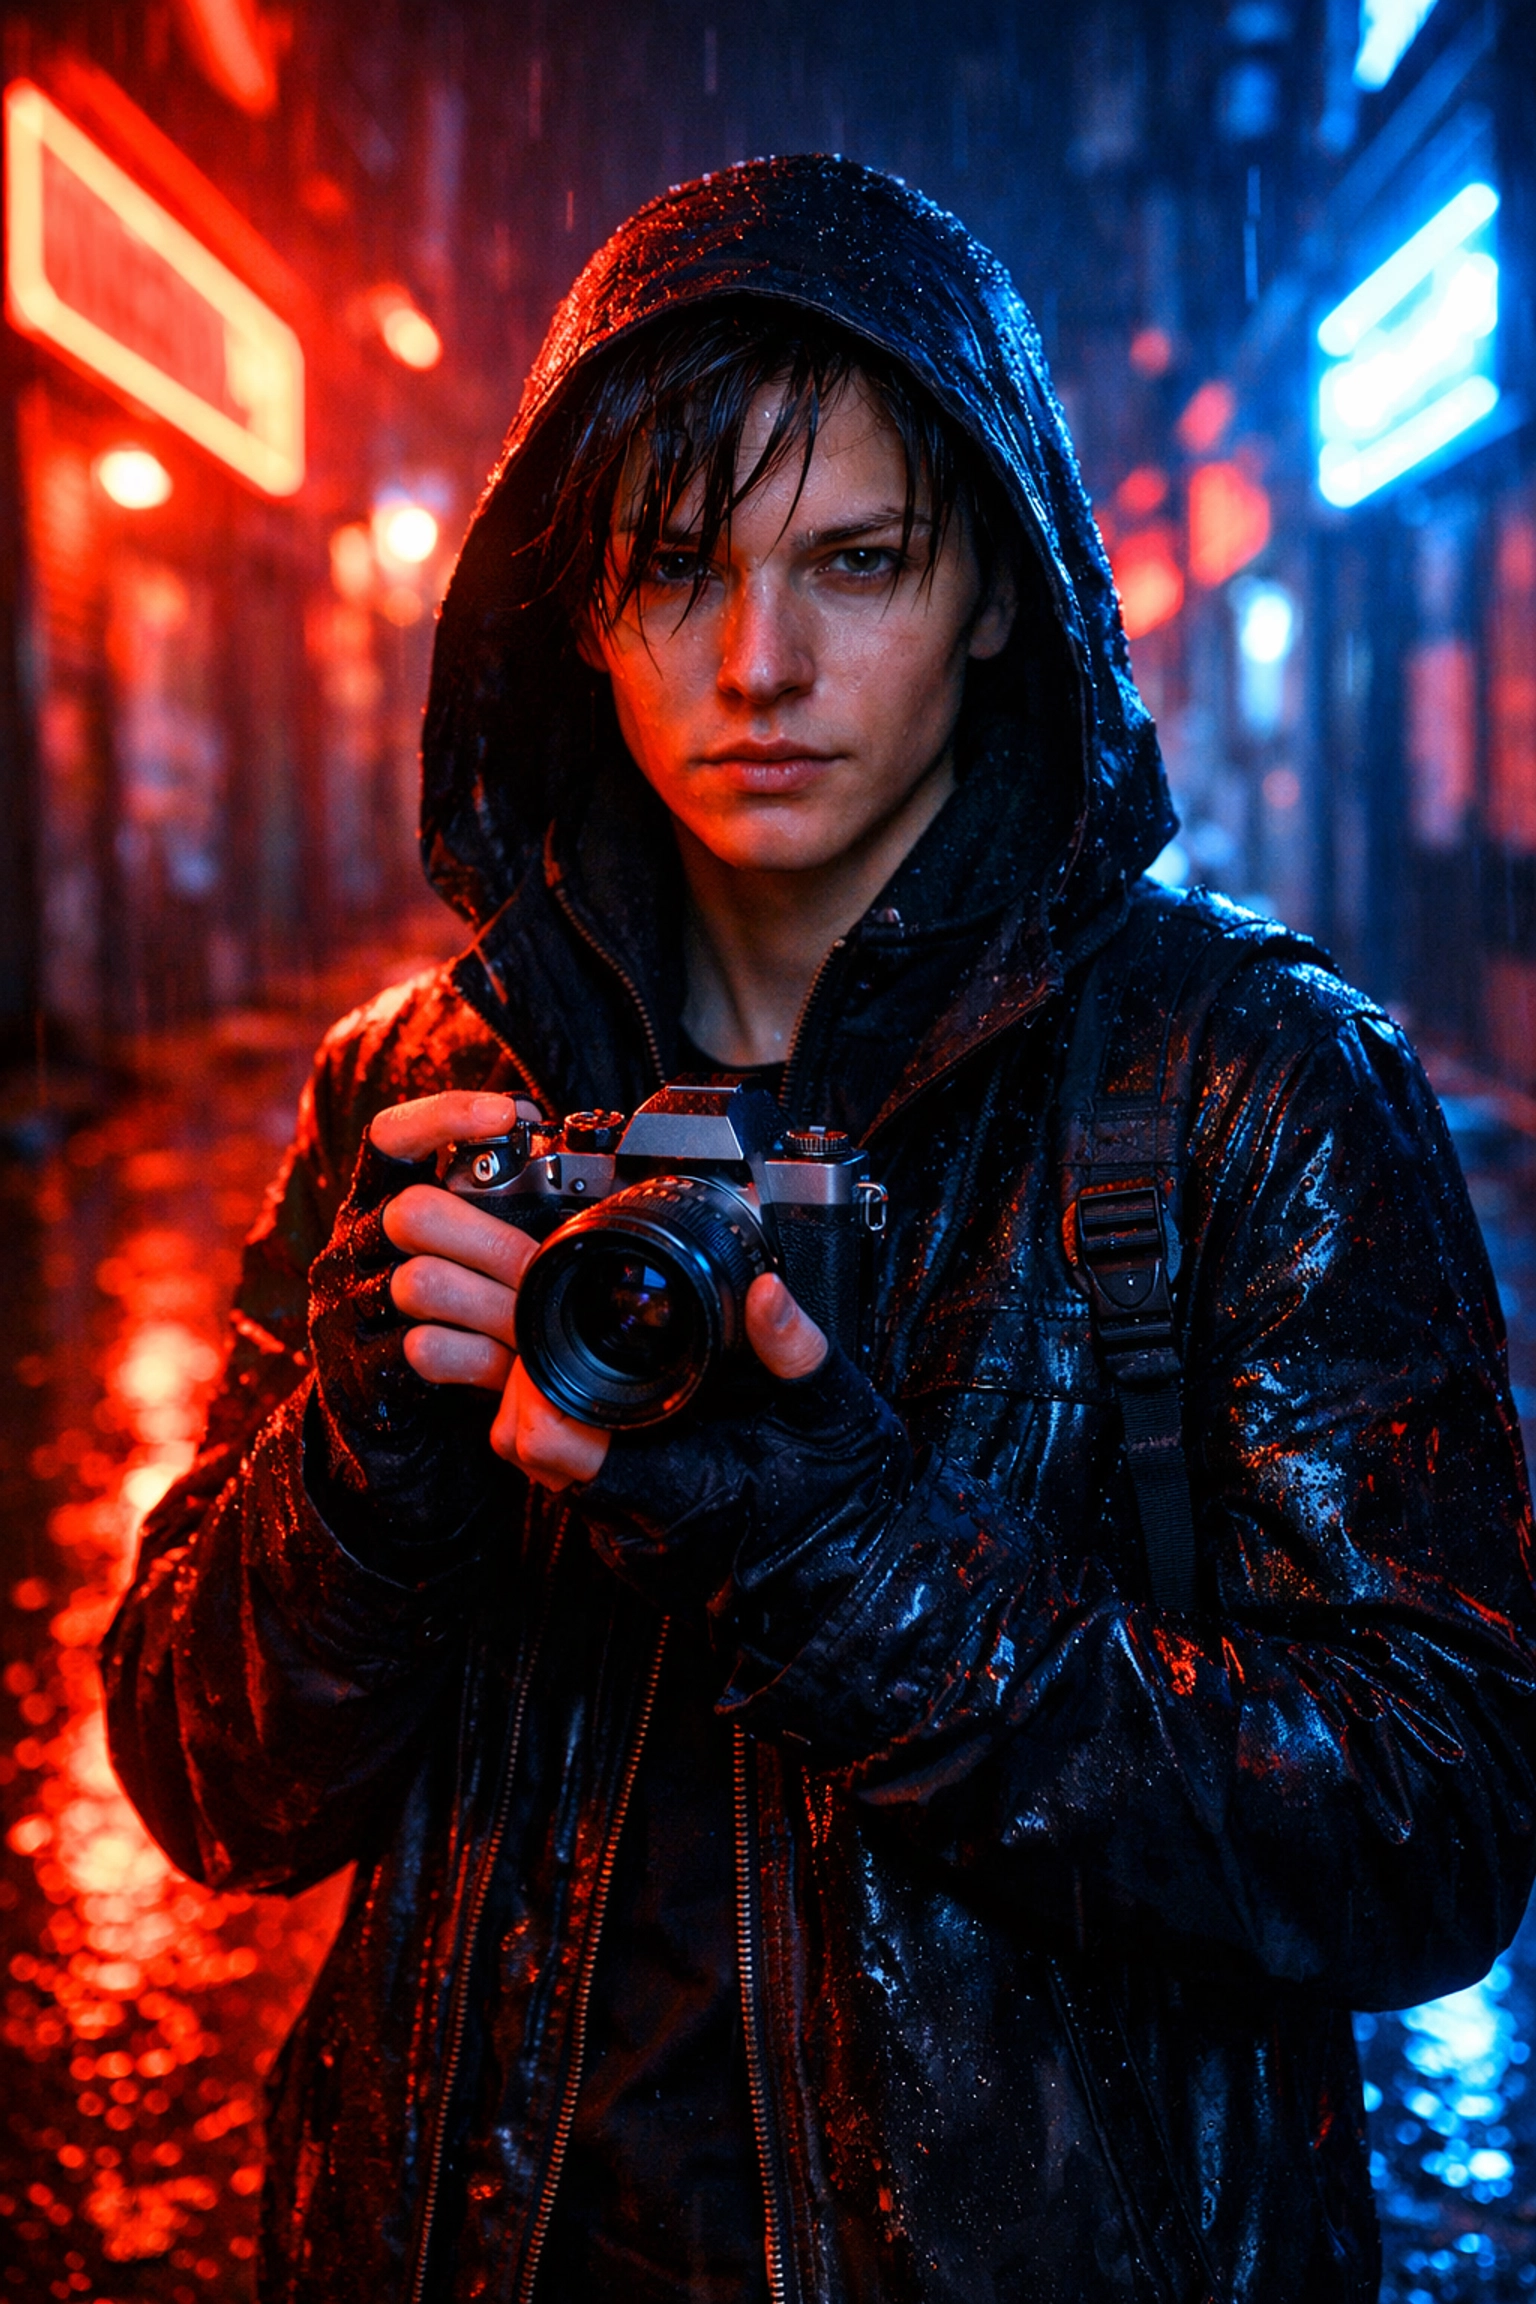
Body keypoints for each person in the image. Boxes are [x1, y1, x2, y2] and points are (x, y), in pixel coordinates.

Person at [103, 156, 1536, 2304]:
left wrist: (837, 1554)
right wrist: (365, 1470)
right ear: (575, 608)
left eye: (853, 562)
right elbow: (215, 1789)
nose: (759, 664)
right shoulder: (418, 1094)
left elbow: (1432, 1823)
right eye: (677, 570)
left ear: (996, 587)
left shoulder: (1245, 1088)